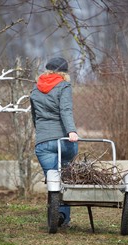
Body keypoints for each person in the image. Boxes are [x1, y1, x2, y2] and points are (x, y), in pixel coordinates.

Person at [30, 57, 78, 227]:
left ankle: (55, 216)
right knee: (64, 178)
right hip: (63, 140)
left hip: (43, 142)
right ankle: (63, 218)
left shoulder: (35, 89)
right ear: (64, 72)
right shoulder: (63, 86)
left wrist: (42, 134)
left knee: (53, 180)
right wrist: (71, 131)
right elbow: (65, 110)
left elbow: (35, 117)